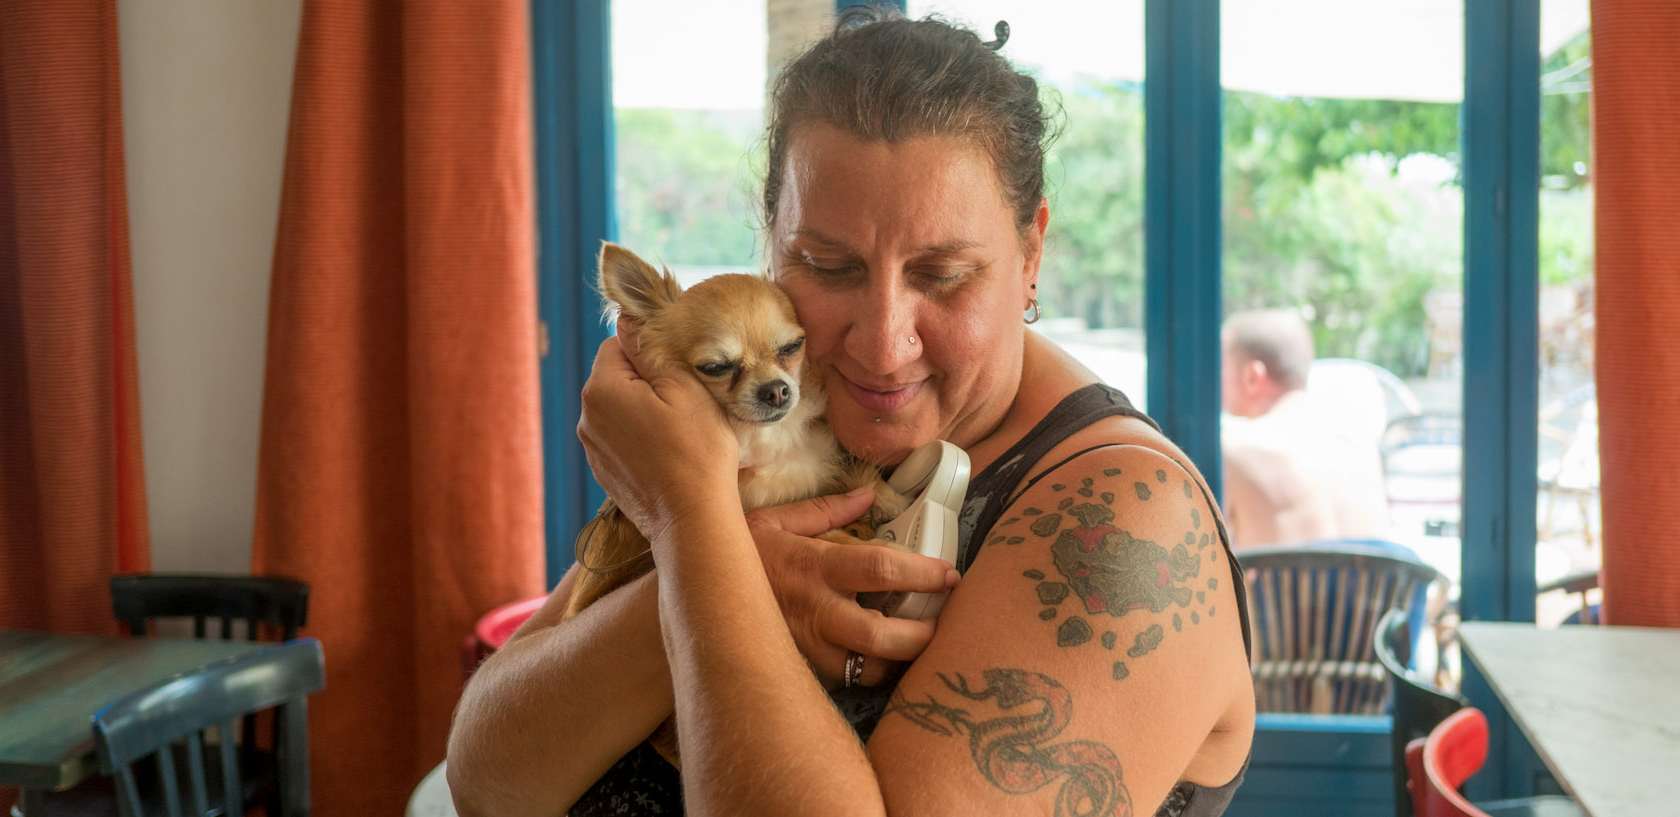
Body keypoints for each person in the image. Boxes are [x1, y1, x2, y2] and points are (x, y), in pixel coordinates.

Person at [446, 11, 1255, 817]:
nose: (880, 343)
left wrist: (697, 529)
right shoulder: (785, 418)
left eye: (942, 274)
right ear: (772, 248)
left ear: (1031, 252)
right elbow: (486, 774)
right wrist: (733, 565)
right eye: (828, 266)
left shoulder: (1126, 523)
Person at [1219, 309, 1392, 548]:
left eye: (1221, 366)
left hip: (1279, 587)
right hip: (1374, 587)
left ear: (1252, 376)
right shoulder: (1360, 447)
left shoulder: (1235, 451)